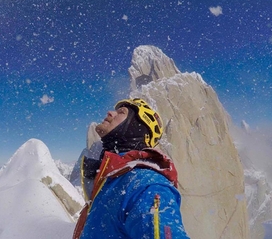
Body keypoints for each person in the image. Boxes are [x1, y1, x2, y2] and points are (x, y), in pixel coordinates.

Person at [72, 98, 189, 239]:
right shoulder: (113, 180)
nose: (110, 113)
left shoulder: (146, 185)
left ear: (136, 127)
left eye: (121, 112)